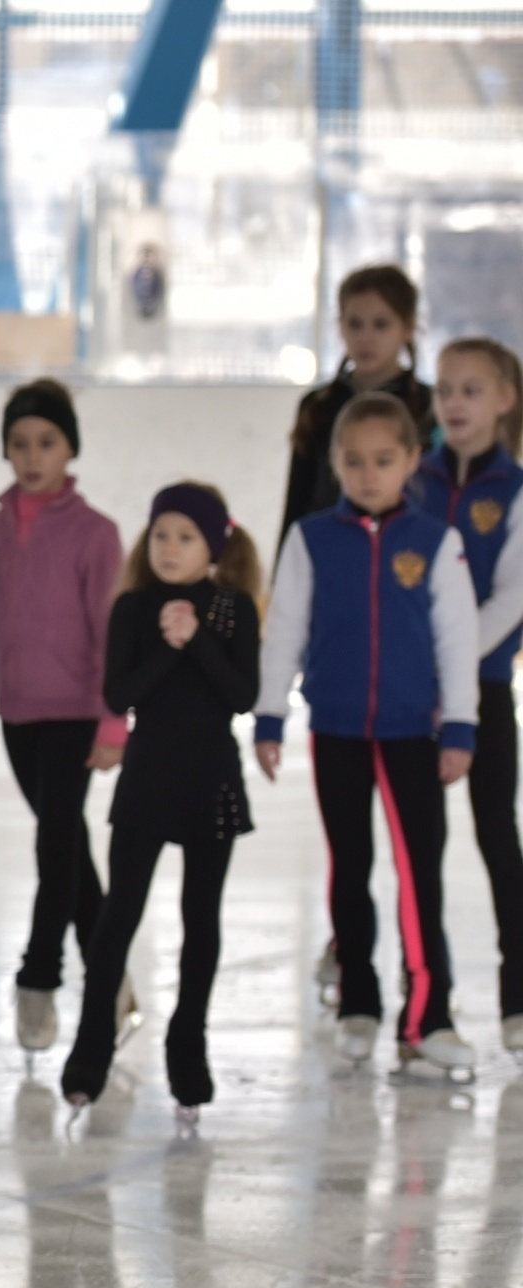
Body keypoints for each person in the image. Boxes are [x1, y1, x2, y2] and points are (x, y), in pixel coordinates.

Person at [255, 391, 479, 1072]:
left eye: (384, 460)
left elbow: (457, 637)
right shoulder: (311, 538)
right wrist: (271, 713)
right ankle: (357, 1000)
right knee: (348, 869)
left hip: (415, 734)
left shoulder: (436, 543)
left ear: (413, 460)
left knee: (420, 877)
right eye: (354, 461)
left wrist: (461, 724)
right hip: (339, 730)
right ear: (335, 464)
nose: (369, 474)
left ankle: (427, 1016)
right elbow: (285, 627)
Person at [60, 485, 262, 1131]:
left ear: (213, 547)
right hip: (147, 778)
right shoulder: (132, 608)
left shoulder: (233, 610)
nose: (169, 547)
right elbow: (119, 694)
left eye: (185, 537)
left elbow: (241, 695)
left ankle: (187, 1049)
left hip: (211, 780)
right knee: (118, 917)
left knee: (201, 921)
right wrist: (169, 646)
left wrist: (198, 637)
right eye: (160, 534)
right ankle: (90, 1050)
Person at [0, 378, 132, 1053]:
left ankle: (39, 979)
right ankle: (112, 978)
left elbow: (112, 632)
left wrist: (115, 720)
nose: (32, 456)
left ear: (69, 448)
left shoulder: (96, 534)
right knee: (71, 849)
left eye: (46, 442)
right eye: (19, 443)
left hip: (77, 713)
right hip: (18, 715)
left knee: (55, 847)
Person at [410, 336, 523, 1047]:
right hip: (408, 698)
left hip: (481, 691)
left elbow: (510, 599)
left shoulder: (514, 493)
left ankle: (518, 997)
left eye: (471, 390)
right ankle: (430, 1005)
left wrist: (452, 677)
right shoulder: (408, 482)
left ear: (505, 399)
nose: (454, 403)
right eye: (445, 389)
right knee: (418, 849)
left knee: (495, 837)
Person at [283, 263, 435, 541]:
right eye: (355, 324)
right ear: (340, 326)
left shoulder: (429, 406)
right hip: (329, 547)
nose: (366, 338)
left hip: (404, 552)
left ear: (408, 328)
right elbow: (297, 500)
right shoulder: (317, 406)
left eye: (381, 324)